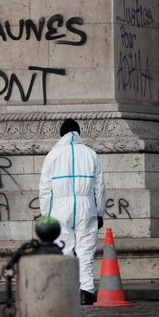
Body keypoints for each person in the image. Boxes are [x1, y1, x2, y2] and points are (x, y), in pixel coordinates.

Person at [39, 118, 107, 305]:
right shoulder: (90, 154)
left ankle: (68, 292)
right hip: (86, 207)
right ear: (78, 133)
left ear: (61, 134)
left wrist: (46, 214)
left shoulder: (52, 155)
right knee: (85, 251)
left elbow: (45, 189)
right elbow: (100, 187)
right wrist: (100, 212)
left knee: (64, 249)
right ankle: (86, 291)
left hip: (60, 209)